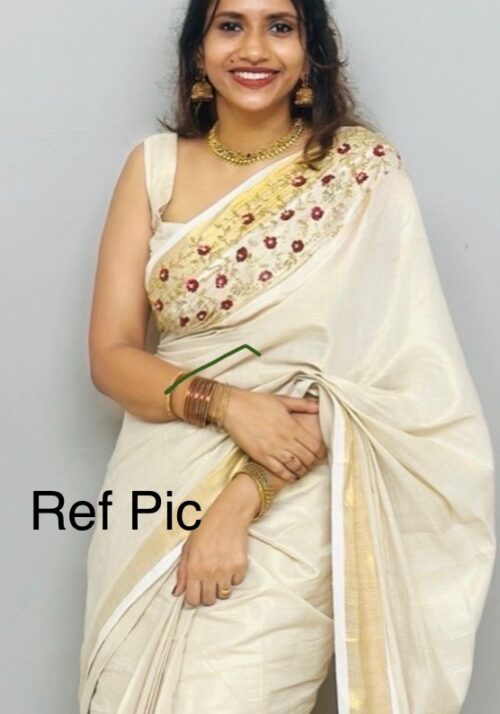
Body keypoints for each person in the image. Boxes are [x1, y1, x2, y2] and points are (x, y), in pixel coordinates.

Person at [78, 0, 496, 712]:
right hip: (152, 497)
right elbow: (111, 357)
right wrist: (227, 404)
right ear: (199, 50)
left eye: (280, 26)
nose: (254, 48)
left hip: (288, 500)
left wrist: (242, 502)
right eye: (230, 25)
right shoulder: (152, 167)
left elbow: (382, 385)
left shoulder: (359, 174)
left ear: (310, 53)